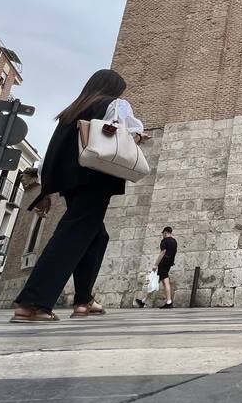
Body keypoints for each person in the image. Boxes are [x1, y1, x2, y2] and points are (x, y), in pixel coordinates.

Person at [10, 69, 147, 322]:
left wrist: (45, 189)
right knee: (71, 235)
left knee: (97, 236)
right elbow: (124, 131)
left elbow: (53, 152)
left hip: (71, 181)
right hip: (96, 177)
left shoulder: (72, 112)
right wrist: (137, 135)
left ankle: (84, 301)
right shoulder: (115, 104)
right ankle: (33, 303)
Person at [154, 226, 178, 308]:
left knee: (164, 281)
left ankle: (169, 302)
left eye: (163, 233)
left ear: (165, 232)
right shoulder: (174, 241)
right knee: (161, 281)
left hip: (163, 263)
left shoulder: (164, 241)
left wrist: (155, 264)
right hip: (169, 263)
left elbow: (162, 253)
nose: (162, 235)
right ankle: (144, 300)